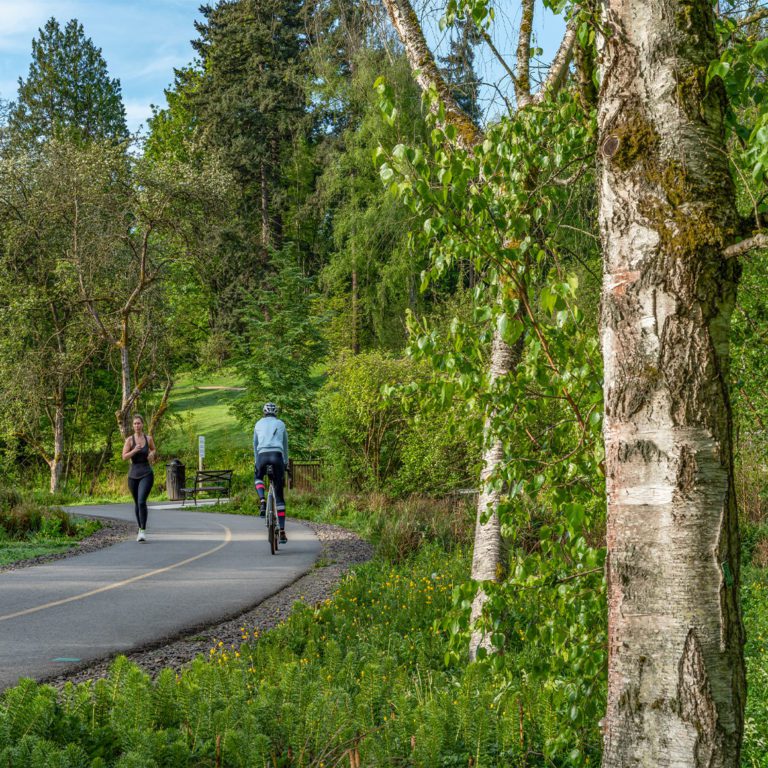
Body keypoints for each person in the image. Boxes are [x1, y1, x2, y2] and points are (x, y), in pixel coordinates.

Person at [253, 402, 289, 543]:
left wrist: (257, 462)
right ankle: (282, 531)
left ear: (264, 412)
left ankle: (262, 500)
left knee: (258, 477)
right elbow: (285, 446)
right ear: (276, 413)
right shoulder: (281, 424)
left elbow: (255, 445)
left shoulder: (258, 424)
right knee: (279, 495)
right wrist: (285, 463)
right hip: (277, 456)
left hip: (262, 456)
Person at [122, 414, 156, 542]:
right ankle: (140, 528)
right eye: (135, 423)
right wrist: (134, 450)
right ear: (133, 426)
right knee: (137, 503)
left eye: (139, 423)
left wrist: (152, 454)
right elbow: (124, 457)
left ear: (142, 425)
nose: (137, 425)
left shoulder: (148, 438)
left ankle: (142, 531)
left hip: (146, 473)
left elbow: (153, 450)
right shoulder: (129, 440)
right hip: (133, 475)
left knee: (142, 501)